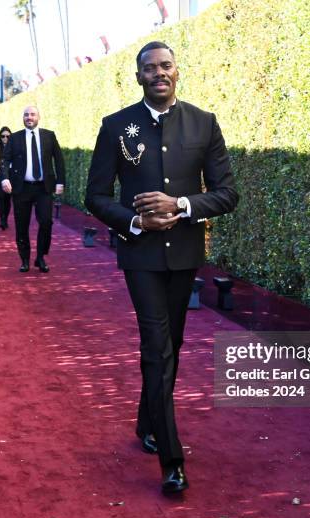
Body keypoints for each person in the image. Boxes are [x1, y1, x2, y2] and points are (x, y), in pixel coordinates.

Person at [85, 41, 238, 494]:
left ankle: (145, 421)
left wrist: (182, 204)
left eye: (165, 65)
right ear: (138, 77)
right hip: (141, 256)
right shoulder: (116, 126)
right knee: (157, 344)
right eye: (149, 68)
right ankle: (173, 461)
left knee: (170, 341)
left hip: (185, 253)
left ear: (177, 71)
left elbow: (227, 193)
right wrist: (135, 220)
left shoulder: (204, 123)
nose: (158, 73)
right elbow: (94, 196)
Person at [0, 106, 65, 273]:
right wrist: (5, 178)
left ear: (39, 117)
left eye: (32, 114)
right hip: (22, 189)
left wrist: (60, 181)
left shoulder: (49, 136)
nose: (29, 117)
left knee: (46, 222)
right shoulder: (15, 138)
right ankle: (25, 259)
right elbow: (5, 160)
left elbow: (59, 160)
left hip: (44, 188)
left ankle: (41, 257)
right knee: (21, 225)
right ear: (23, 118)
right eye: (26, 115)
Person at [0, 126, 12, 230]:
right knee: (1, 198)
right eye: (3, 136)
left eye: (8, 136)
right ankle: (2, 219)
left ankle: (5, 218)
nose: (5, 138)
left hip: (10, 175)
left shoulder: (14, 146)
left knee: (7, 198)